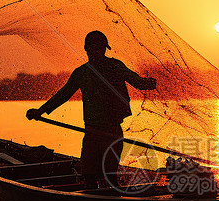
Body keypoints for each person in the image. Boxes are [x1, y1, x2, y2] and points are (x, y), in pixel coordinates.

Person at [26, 31, 156, 189]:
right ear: (86, 49)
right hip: (92, 133)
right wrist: (40, 111)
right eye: (93, 48)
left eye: (99, 48)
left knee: (108, 177)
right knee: (89, 176)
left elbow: (138, 82)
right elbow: (63, 95)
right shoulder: (81, 73)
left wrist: (150, 82)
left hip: (111, 133)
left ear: (104, 49)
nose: (96, 51)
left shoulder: (115, 66)